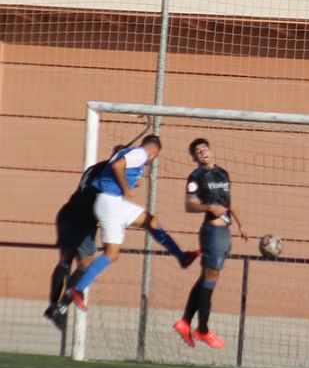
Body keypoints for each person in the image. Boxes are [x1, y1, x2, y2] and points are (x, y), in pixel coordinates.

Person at [62, 135, 199, 311]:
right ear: (153, 152)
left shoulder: (128, 153)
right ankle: (77, 289)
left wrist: (131, 181)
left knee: (152, 221)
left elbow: (117, 168)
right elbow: (118, 166)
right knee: (111, 254)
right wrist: (126, 187)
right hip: (110, 203)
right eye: (154, 158)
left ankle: (182, 257)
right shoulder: (140, 154)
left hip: (114, 202)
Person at [173, 138, 248, 349]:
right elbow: (189, 205)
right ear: (194, 158)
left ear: (210, 151)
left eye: (204, 148)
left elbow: (228, 202)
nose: (202, 152)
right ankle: (202, 330)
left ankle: (185, 322)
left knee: (207, 278)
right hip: (212, 232)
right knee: (210, 279)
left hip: (225, 231)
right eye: (197, 151)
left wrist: (241, 224)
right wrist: (208, 207)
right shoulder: (196, 177)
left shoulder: (223, 173)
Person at [47, 146, 125, 328]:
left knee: (65, 261)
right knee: (87, 263)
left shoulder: (95, 167)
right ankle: (62, 307)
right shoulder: (111, 173)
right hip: (81, 219)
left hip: (68, 212)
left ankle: (52, 306)